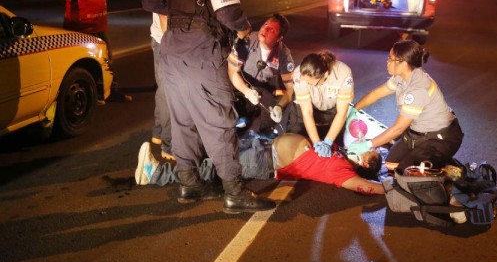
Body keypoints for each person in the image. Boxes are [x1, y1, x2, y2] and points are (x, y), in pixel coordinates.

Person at [141, 0, 275, 213]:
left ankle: (189, 185)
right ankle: (234, 193)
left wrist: (178, 13)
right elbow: (228, 13)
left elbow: (150, 2)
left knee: (183, 120)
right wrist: (243, 29)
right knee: (219, 122)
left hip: (171, 48)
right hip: (202, 51)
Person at [136, 133, 384, 196]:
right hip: (263, 146)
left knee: (210, 169)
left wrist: (395, 188)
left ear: (365, 160)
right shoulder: (341, 153)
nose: (366, 145)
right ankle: (167, 169)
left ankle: (155, 173)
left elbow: (367, 186)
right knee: (213, 154)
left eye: (369, 150)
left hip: (264, 160)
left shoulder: (345, 172)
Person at [347, 40, 464, 171]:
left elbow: (398, 128)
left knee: (405, 172)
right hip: (418, 133)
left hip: (441, 138)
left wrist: (367, 144)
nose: (387, 63)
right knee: (391, 164)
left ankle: (446, 166)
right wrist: (355, 108)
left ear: (403, 63)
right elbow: (376, 94)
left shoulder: (417, 89)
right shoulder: (402, 77)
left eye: (390, 59)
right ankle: (430, 159)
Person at [145, 0, 194, 160]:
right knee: (168, 89)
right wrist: (169, 44)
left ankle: (159, 132)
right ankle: (168, 144)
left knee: (166, 87)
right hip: (165, 39)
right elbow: (162, 10)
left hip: (172, 38)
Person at [228, 14, 295, 134]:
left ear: (279, 38)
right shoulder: (246, 42)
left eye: (272, 30)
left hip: (264, 90)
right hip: (240, 87)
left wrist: (280, 106)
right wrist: (247, 92)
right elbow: (232, 73)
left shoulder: (283, 54)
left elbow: (290, 89)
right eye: (265, 25)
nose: (265, 30)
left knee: (268, 124)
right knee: (232, 119)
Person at [287, 50, 354, 158]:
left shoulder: (343, 74)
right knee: (296, 149)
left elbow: (342, 113)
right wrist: (316, 142)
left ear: (325, 75)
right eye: (307, 83)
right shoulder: (298, 76)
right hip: (305, 110)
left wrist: (328, 141)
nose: (309, 86)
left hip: (332, 111)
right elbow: (307, 112)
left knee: (334, 153)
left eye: (313, 84)